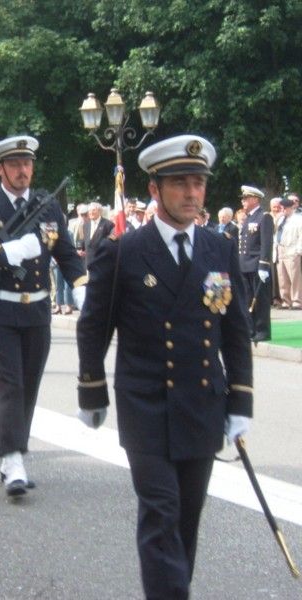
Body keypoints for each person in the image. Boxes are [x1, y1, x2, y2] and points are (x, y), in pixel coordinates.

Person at [76, 134, 253, 600]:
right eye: (180, 184)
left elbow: (235, 329)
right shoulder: (124, 252)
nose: (192, 194)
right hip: (146, 405)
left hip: (202, 404)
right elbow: (94, 325)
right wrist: (91, 388)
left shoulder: (217, 248)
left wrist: (241, 400)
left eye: (198, 183)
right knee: (161, 512)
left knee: (186, 519)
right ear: (155, 189)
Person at [0, 135, 87, 495]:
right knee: (9, 383)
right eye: (15, 164)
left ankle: (15, 451)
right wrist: (10, 251)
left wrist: (81, 286)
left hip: (37, 311)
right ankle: (12, 458)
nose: (22, 170)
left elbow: (66, 253)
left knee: (28, 385)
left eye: (27, 163)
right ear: (0, 169)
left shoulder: (48, 207)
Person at [238, 185, 274, 341]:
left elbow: (266, 243)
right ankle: (250, 328)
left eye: (246, 198)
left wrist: (264, 264)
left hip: (257, 265)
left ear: (255, 199)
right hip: (245, 264)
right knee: (248, 298)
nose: (243, 201)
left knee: (260, 300)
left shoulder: (264, 217)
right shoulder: (248, 218)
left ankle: (262, 330)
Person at [275, 197, 302, 309]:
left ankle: (297, 300)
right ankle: (286, 300)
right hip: (280, 249)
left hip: (292, 249)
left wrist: (298, 251)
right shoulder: (281, 219)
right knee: (282, 277)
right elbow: (276, 234)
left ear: (290, 208)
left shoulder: (298, 219)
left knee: (294, 277)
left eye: (283, 208)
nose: (282, 211)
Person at [81, 201, 114, 268]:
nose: (91, 212)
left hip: (102, 262)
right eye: (89, 210)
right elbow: (85, 241)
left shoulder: (108, 224)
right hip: (89, 262)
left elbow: (111, 243)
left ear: (100, 211)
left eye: (93, 210)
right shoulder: (86, 225)